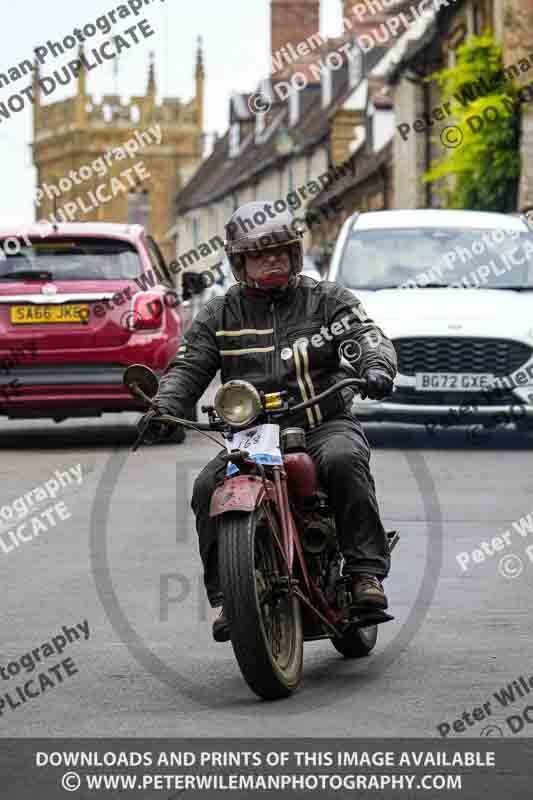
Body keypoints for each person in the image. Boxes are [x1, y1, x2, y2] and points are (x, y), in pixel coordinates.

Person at [139, 203, 397, 642]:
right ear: (240, 262)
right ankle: (230, 598)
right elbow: (187, 367)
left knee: (344, 458)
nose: (273, 259)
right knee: (206, 487)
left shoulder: (327, 300)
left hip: (322, 422)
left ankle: (363, 574)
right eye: (261, 254)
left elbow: (367, 336)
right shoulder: (219, 314)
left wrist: (376, 366)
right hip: (253, 436)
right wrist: (163, 408)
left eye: (281, 251)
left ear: (295, 255)